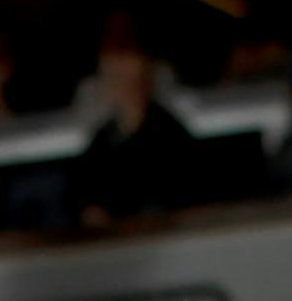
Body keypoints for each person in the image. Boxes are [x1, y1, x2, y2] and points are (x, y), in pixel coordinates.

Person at [68, 46, 199, 229]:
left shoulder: (170, 133)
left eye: (134, 82)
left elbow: (186, 195)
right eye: (121, 82)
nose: (128, 89)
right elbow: (88, 197)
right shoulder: (104, 138)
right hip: (119, 242)